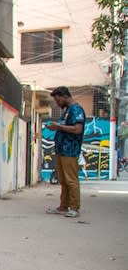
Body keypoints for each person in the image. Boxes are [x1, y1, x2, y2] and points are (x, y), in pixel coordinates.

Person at [46, 86, 86, 217]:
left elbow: (77, 129)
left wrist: (58, 126)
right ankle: (63, 206)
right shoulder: (67, 111)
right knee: (63, 180)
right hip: (61, 150)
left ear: (65, 96)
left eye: (58, 100)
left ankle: (74, 207)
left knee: (71, 180)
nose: (57, 103)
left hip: (70, 150)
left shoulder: (77, 110)